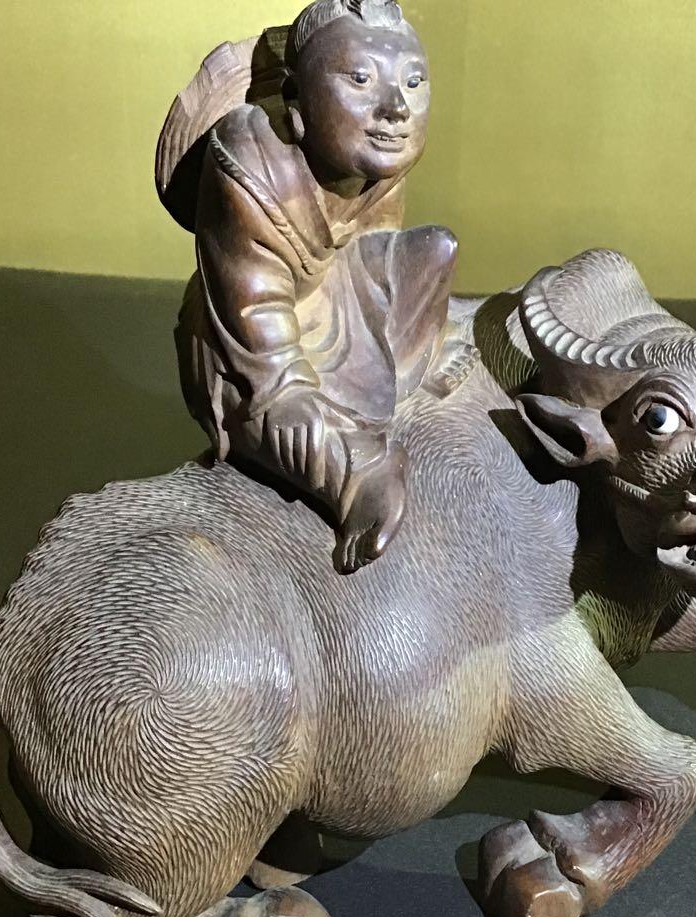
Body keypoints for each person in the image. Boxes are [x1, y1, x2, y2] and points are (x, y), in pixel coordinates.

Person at [175, 0, 476, 572]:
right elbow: (266, 360)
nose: (395, 108)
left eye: (413, 83)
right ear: (295, 99)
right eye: (360, 79)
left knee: (437, 248)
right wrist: (352, 469)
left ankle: (397, 378)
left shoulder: (381, 158)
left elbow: (372, 253)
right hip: (251, 339)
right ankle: (352, 469)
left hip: (340, 291)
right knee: (269, 410)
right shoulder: (247, 158)